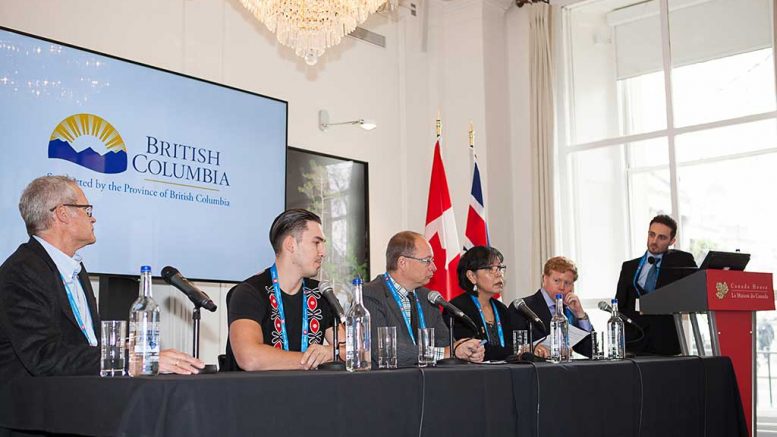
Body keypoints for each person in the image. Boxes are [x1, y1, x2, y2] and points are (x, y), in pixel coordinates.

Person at [0, 176, 203, 383]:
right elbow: (45, 356)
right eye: (87, 210)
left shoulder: (74, 268)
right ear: (62, 214)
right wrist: (133, 360)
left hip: (81, 394)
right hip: (35, 405)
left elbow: (82, 345)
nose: (93, 218)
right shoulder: (21, 272)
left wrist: (125, 348)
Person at [225, 208, 343, 371]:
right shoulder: (249, 292)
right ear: (291, 245)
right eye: (316, 242)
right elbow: (250, 358)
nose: (323, 252)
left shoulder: (320, 293)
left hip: (309, 393)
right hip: (256, 394)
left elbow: (358, 352)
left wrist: (331, 352)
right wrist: (312, 359)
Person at [362, 231, 484, 368]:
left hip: (427, 382)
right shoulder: (370, 294)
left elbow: (445, 343)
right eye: (427, 261)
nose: (434, 267)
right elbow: (381, 350)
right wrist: (444, 352)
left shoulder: (428, 297)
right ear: (402, 263)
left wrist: (465, 349)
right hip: (387, 383)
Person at [615, 214, 697, 355]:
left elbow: (694, 291)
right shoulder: (629, 267)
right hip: (634, 344)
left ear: (672, 241)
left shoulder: (679, 263)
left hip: (665, 343)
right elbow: (619, 305)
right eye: (651, 235)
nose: (654, 241)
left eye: (662, 237)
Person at [509, 256, 593, 358]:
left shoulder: (571, 311)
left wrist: (580, 315)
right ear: (544, 279)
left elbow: (590, 351)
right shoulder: (522, 308)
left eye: (567, 283)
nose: (562, 287)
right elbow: (514, 348)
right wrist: (535, 348)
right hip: (538, 371)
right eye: (557, 281)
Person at [448, 246, 513, 361]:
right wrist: (516, 352)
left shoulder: (501, 308)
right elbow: (473, 349)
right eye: (489, 269)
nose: (498, 274)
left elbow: (511, 345)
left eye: (499, 268)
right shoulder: (457, 309)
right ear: (472, 276)